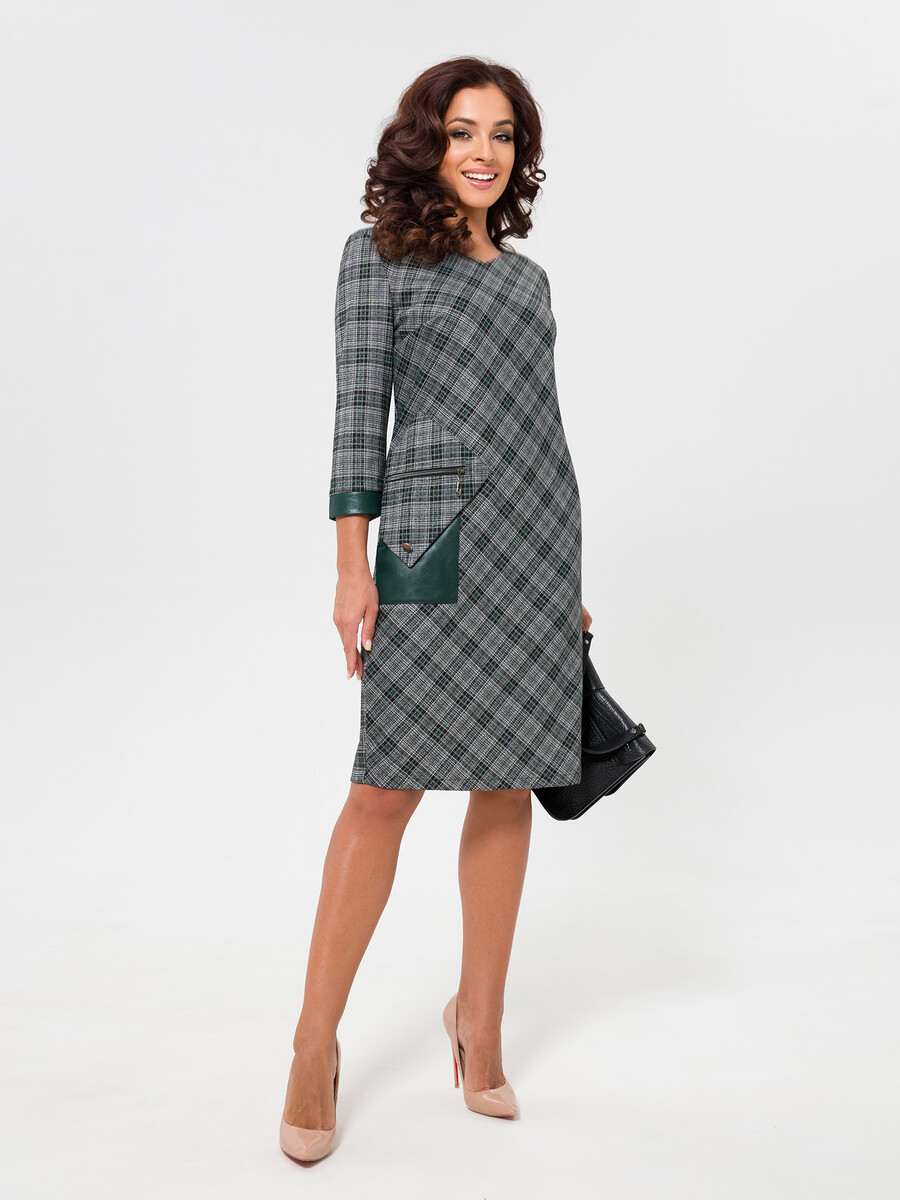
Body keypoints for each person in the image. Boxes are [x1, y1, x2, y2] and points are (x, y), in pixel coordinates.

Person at [280, 55, 591, 1164]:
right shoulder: (376, 259)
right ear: (429, 141)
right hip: (426, 547)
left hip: (534, 551)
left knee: (507, 781)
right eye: (464, 131)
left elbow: (543, 433)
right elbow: (357, 416)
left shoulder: (528, 282)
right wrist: (350, 566)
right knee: (384, 790)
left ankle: (480, 1022)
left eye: (503, 135)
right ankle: (313, 1044)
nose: (484, 152)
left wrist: (567, 586)